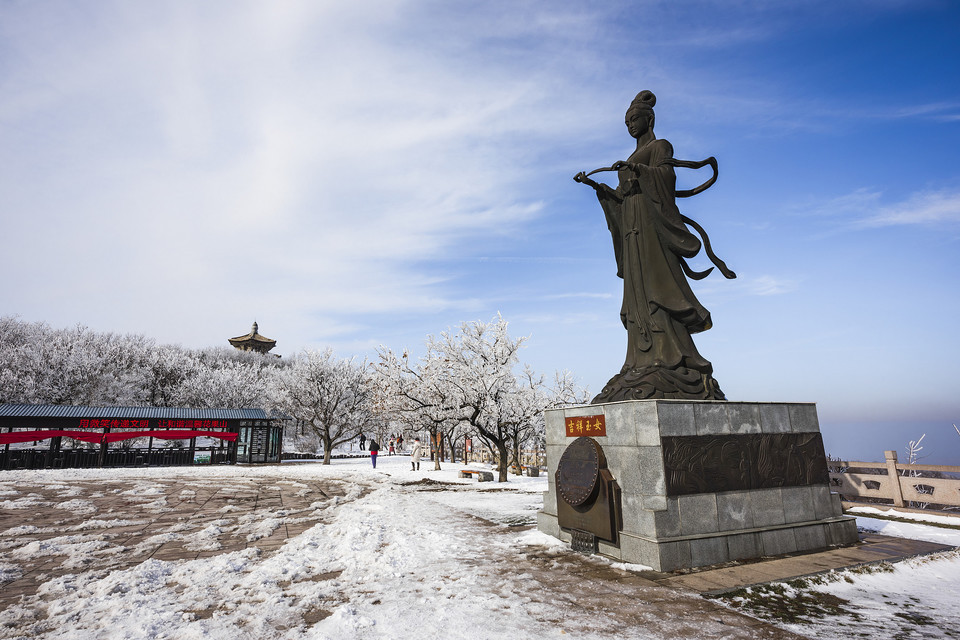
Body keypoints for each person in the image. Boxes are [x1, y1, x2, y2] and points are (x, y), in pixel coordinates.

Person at [574, 89, 735, 403]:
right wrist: (598, 187)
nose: (631, 125)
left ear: (648, 119)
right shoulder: (629, 158)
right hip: (632, 233)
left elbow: (665, 178)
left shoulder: (660, 146)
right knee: (638, 295)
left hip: (651, 231)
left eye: (635, 119)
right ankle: (638, 361)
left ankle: (674, 358)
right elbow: (621, 199)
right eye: (627, 122)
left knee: (659, 290)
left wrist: (640, 171)